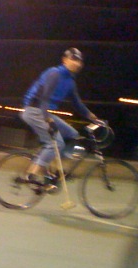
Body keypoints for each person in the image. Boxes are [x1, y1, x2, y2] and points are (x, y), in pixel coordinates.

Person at [20, 47, 99, 185]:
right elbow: (45, 97)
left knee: (72, 133)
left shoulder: (71, 82)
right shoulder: (54, 73)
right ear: (64, 60)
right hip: (34, 110)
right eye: (73, 59)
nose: (77, 63)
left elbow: (77, 104)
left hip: (44, 112)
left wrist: (93, 117)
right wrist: (47, 118)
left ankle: (57, 170)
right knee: (54, 143)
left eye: (79, 61)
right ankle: (31, 175)